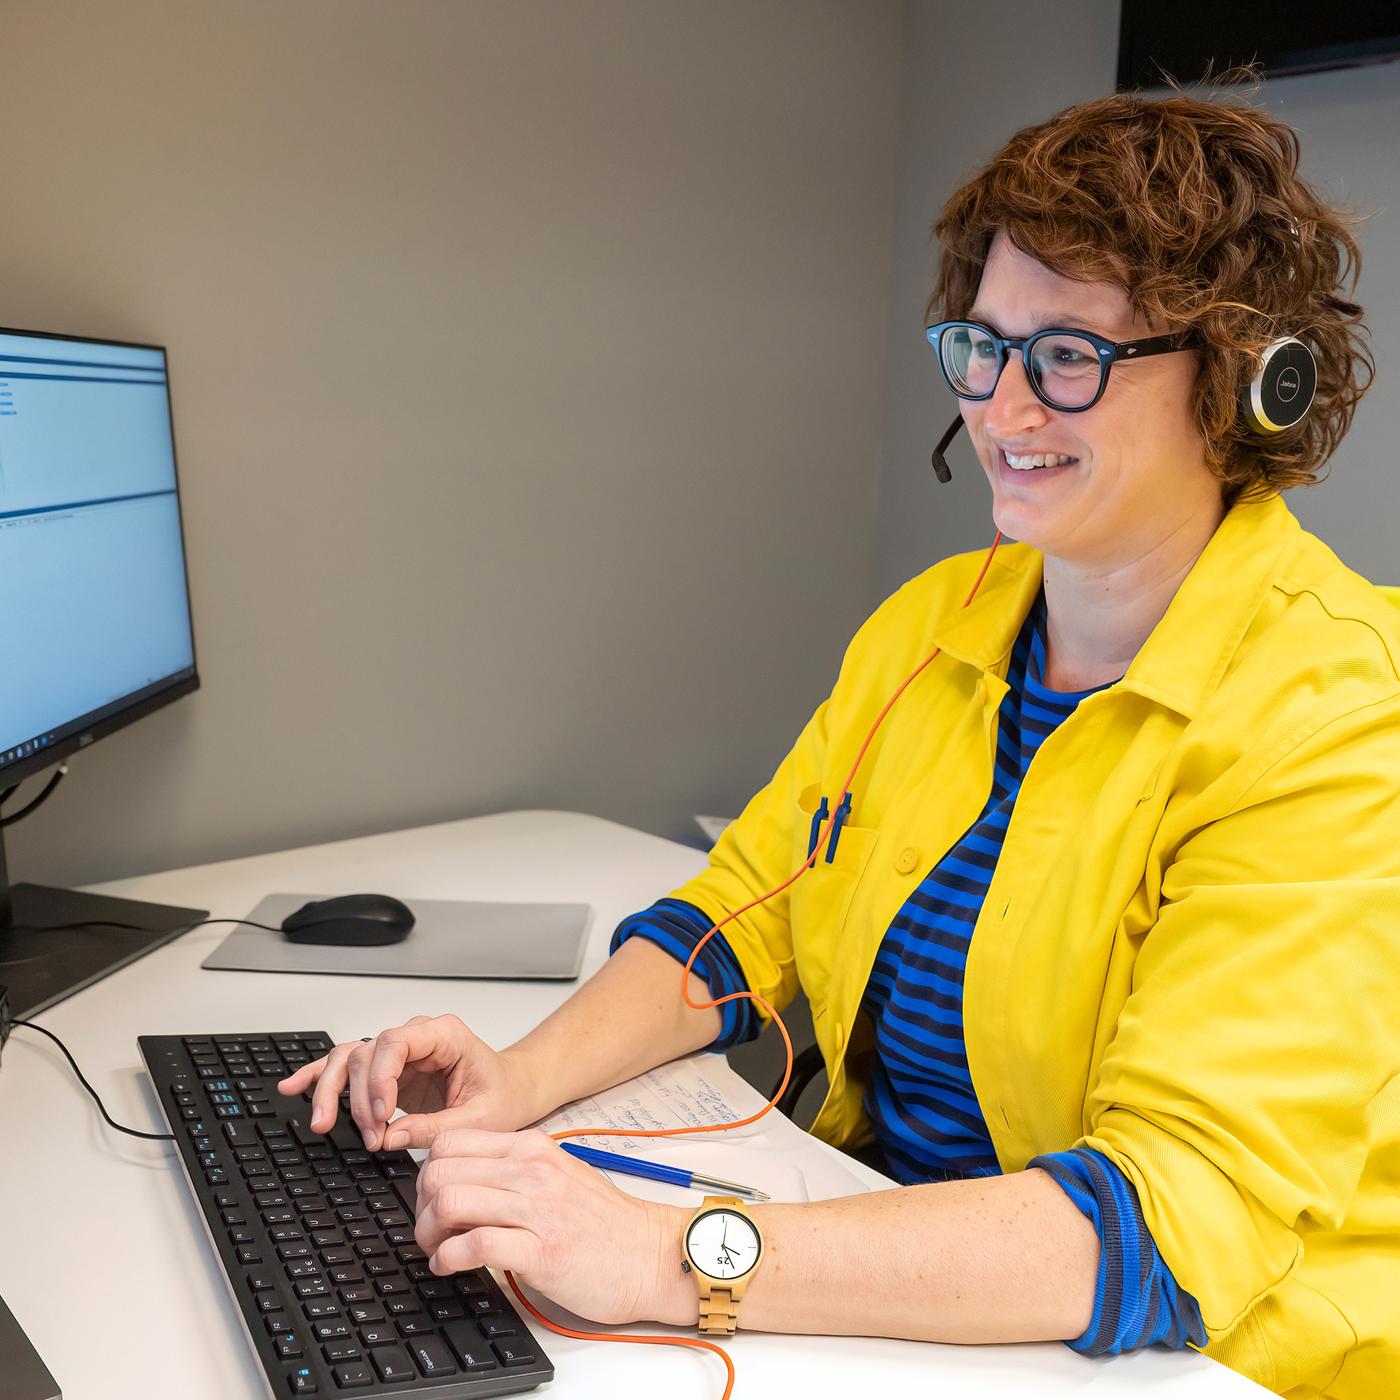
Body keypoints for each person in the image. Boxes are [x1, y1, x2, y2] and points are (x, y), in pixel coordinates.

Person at [280, 87, 1399, 1397]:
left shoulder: (1338, 711)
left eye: (1072, 358)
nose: (1007, 409)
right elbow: (742, 909)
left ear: (1243, 379)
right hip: (894, 1282)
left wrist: (676, 1256)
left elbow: (1163, 1226)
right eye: (984, 347)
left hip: (1189, 1355)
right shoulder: (937, 627)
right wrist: (511, 1084)